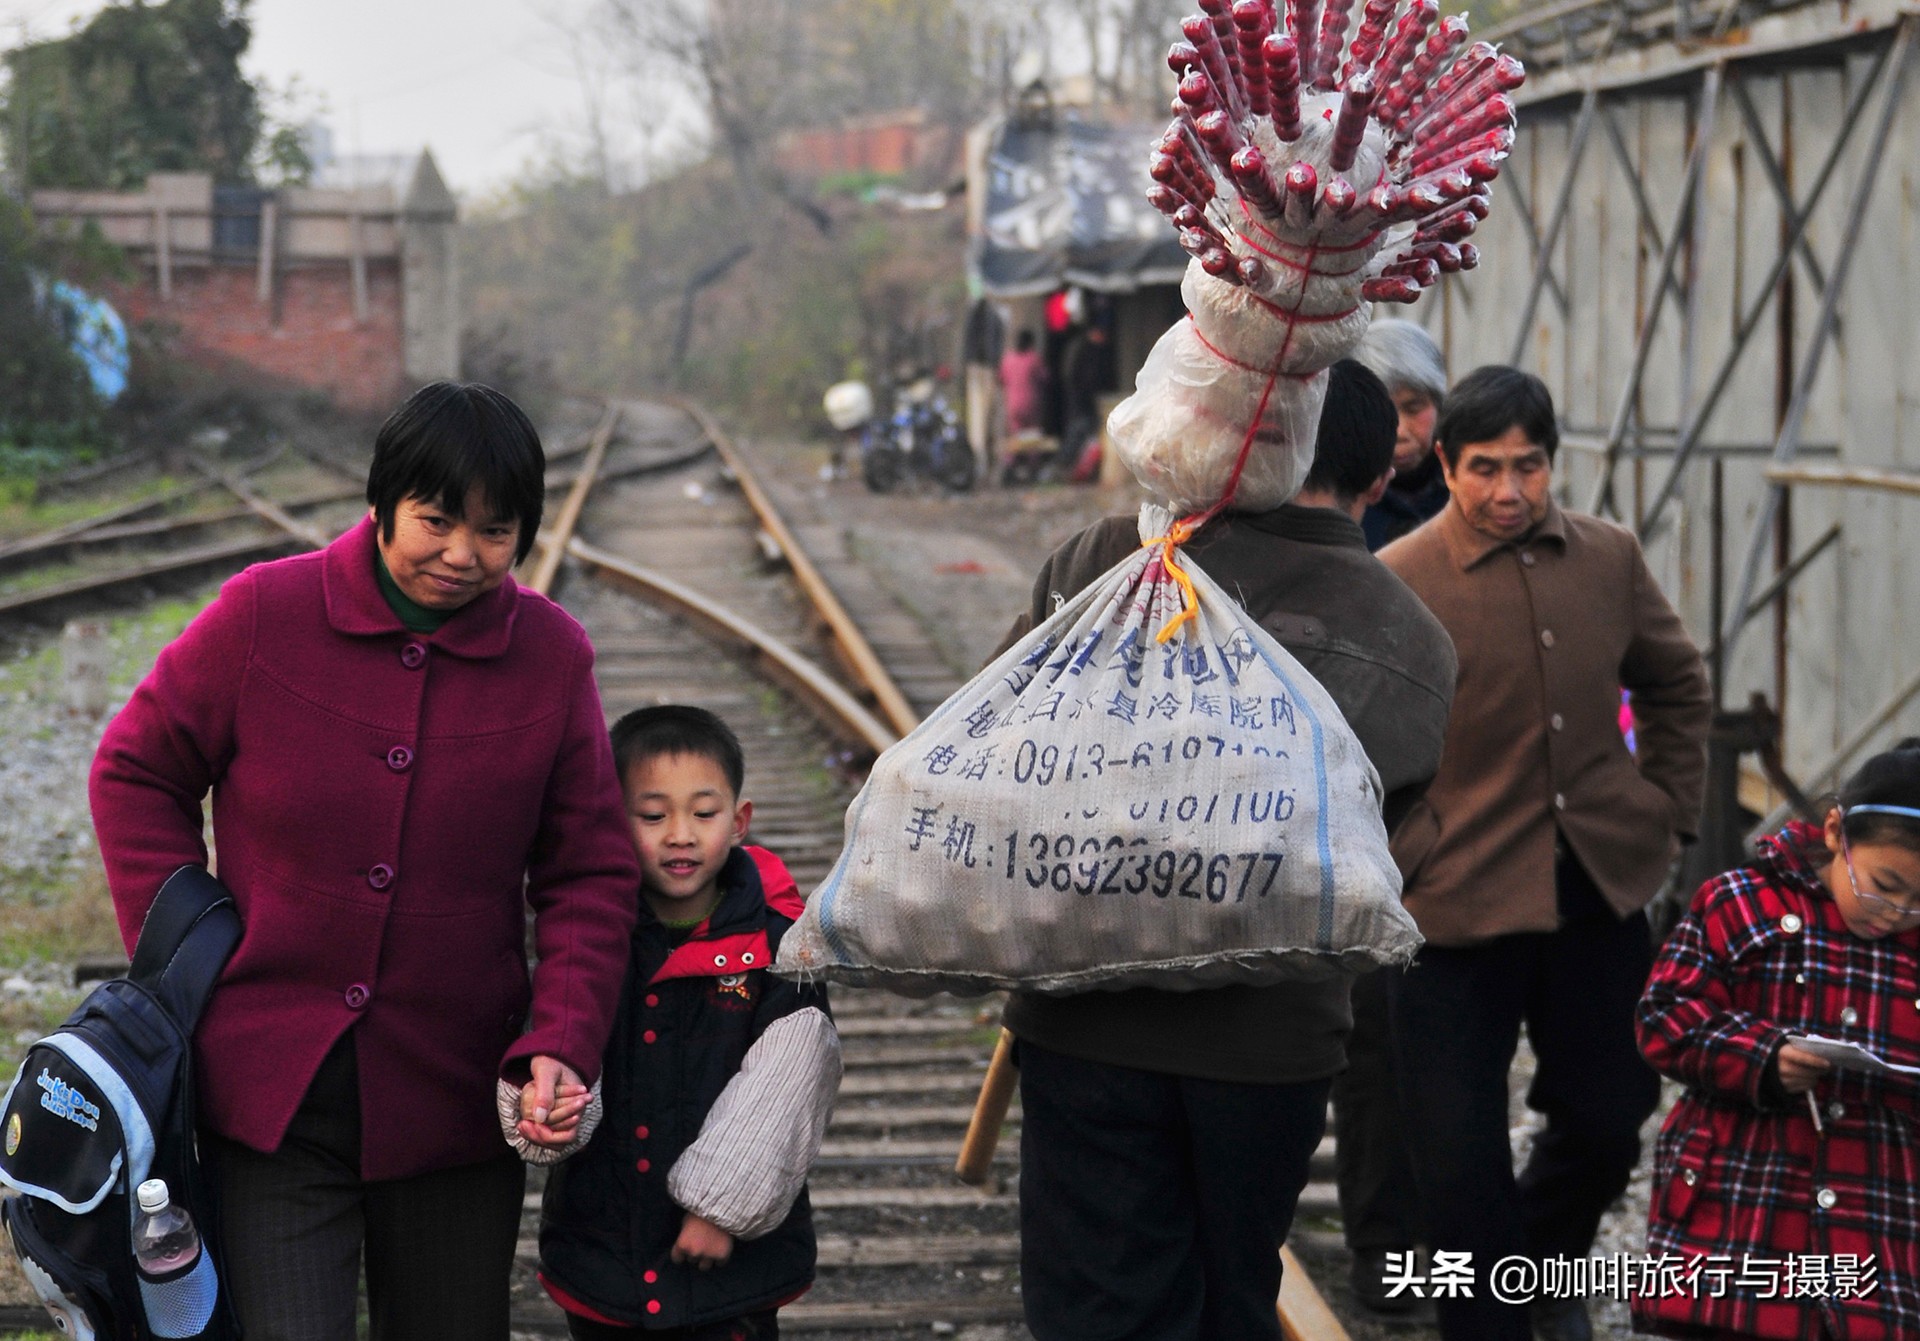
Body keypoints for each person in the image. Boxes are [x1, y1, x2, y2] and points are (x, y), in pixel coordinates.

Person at [88, 381, 641, 1341]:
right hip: (267, 1099)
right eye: (435, 521)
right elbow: (135, 769)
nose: (463, 556)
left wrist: (561, 1035)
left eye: (496, 532)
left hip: (458, 1100)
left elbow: (587, 872)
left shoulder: (553, 658)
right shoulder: (266, 614)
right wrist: (188, 955)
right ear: (382, 502)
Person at [1001, 359, 1457, 1341]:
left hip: (1086, 1022)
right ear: (1382, 480)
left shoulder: (1098, 563)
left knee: (1101, 1305)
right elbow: (1395, 854)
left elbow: (994, 755)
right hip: (1271, 1047)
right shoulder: (1408, 636)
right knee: (1233, 1293)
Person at [1378, 366, 1712, 1341]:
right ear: (1445, 463)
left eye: (1530, 466)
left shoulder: (1607, 557)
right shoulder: (1398, 579)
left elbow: (1676, 683)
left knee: (1612, 1114)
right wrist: (1405, 850)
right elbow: (1353, 741)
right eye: (1486, 468)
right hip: (1449, 901)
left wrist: (1668, 812)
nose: (1510, 491)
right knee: (1454, 1152)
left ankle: (1528, 1276)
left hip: (1595, 883)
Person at [535, 705, 841, 1339]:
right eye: (652, 816)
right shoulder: (589, 938)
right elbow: (561, 1033)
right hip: (604, 1246)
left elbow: (784, 1087)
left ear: (739, 822)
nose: (680, 833)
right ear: (612, 825)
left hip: (731, 1267)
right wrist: (550, 1108)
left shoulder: (781, 945)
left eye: (704, 814)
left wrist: (721, 1210)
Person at [1634, 741, 1920, 1339]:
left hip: (1878, 1214)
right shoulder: (1739, 903)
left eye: (1919, 901)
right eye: (1883, 884)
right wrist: (1760, 1056)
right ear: (1837, 831)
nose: (1896, 912)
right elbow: (1664, 1015)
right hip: (1740, 1204)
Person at [1291, 359, 1426, 1316]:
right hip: (1323, 888)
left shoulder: (1130, 563)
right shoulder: (1408, 614)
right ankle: (1383, 1245)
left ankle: (1391, 1246)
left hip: (1392, 852)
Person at [1356, 319, 1450, 552]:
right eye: (1381, 411)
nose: (1399, 432)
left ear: (1439, 405)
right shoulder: (1340, 500)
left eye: (1414, 408)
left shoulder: (1468, 487)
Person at [962, 296, 1006, 480]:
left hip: (984, 369)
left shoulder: (990, 316)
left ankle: (987, 465)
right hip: (983, 369)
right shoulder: (992, 316)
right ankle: (983, 465)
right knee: (982, 422)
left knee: (983, 422)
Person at [1000, 329, 1046, 442]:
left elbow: (1001, 379)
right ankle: (1032, 457)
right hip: (1031, 404)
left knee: (1015, 433)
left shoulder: (1008, 358)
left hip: (1013, 404)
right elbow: (1044, 378)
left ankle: (1012, 457)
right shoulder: (1034, 358)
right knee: (1032, 433)